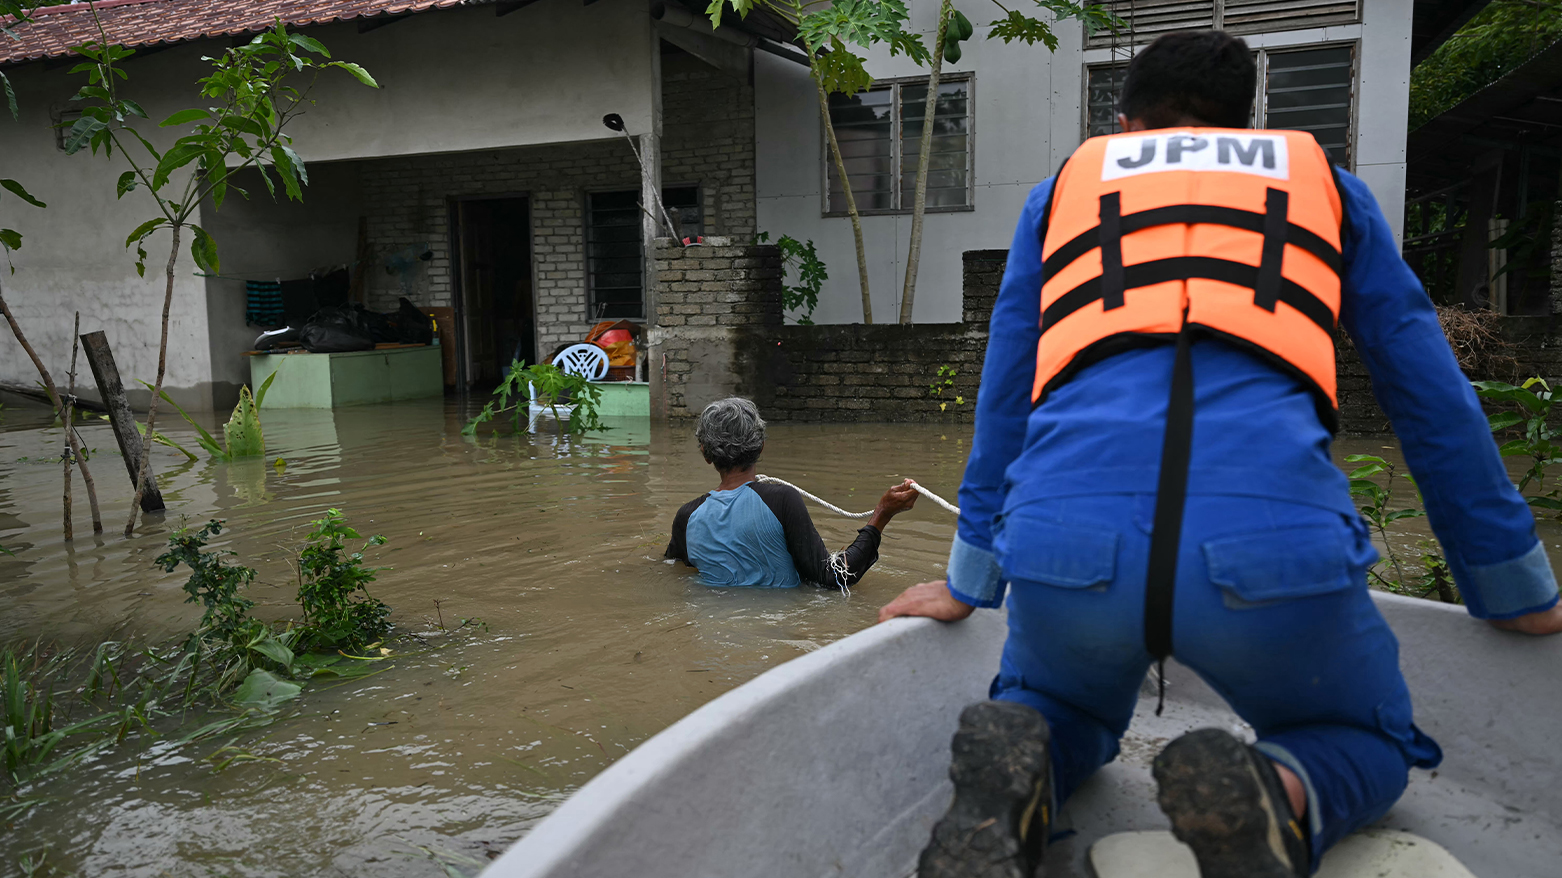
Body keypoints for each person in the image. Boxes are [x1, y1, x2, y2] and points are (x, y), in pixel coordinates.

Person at [879, 30, 1562, 878]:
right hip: (1272, 550)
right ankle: (1277, 790)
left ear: (1125, 124)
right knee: (1362, 739)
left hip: (1067, 546)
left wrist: (969, 581)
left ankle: (1021, 781)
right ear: (1247, 124)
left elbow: (1007, 393)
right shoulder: (1327, 190)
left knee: (1053, 705)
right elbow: (1431, 398)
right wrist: (1511, 586)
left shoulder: (1063, 194)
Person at [666, 397, 918, 589]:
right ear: (761, 447)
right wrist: (882, 514)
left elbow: (674, 571)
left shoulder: (687, 517)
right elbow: (834, 577)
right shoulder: (781, 500)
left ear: (705, 454)